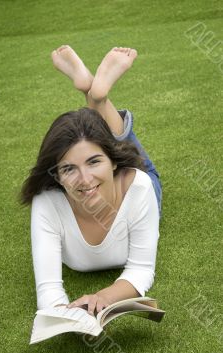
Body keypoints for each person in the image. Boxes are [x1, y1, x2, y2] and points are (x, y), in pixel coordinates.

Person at [20, 45, 162, 317]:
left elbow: (142, 270)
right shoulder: (47, 203)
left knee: (123, 150)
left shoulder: (139, 187)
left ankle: (97, 98)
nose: (85, 180)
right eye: (69, 168)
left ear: (112, 164)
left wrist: (102, 297)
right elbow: (48, 289)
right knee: (94, 143)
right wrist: (68, 317)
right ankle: (94, 95)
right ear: (57, 175)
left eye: (94, 163)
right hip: (108, 175)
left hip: (132, 184)